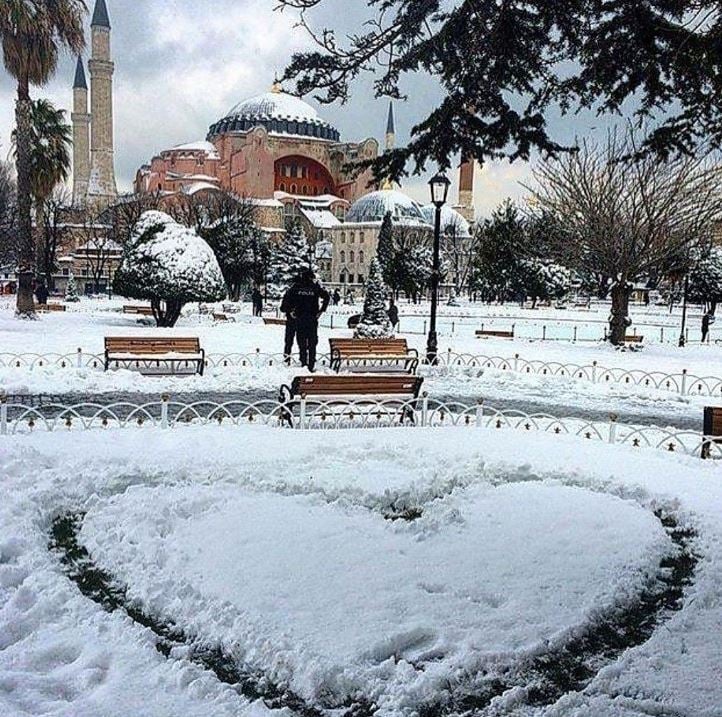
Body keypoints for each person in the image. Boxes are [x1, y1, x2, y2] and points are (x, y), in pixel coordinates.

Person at [282, 268, 330, 371]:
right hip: (312, 318)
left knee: (301, 342)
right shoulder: (314, 287)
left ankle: (303, 362)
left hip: (300, 318)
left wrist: (290, 311)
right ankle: (311, 363)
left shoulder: (296, 288)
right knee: (312, 342)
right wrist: (321, 310)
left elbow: (286, 303)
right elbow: (326, 296)